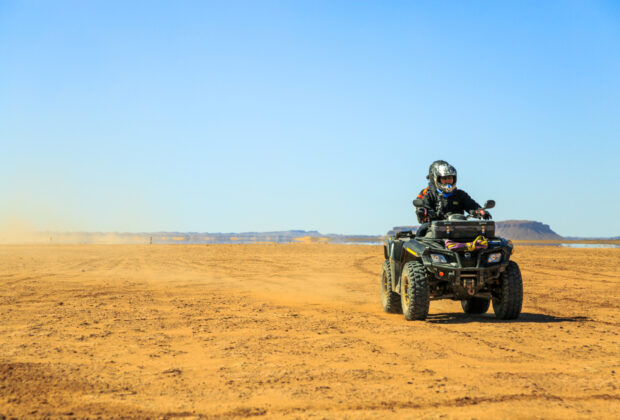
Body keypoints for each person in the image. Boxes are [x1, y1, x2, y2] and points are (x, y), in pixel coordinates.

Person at [415, 162, 490, 237]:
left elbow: (472, 206)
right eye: (444, 178)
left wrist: (481, 211)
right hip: (435, 227)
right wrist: (423, 211)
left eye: (450, 178)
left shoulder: (461, 194)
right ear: (438, 179)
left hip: (459, 227)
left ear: (454, 179)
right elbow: (424, 206)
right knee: (422, 229)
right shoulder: (430, 195)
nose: (447, 180)